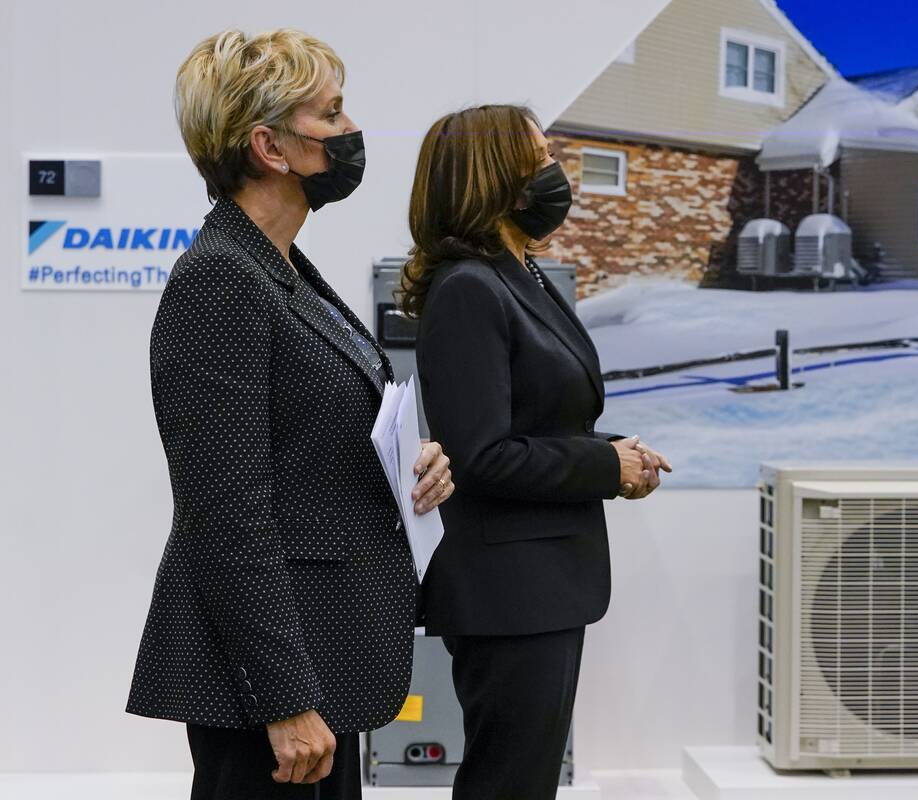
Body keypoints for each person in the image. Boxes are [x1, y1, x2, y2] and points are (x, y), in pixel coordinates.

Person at [125, 29, 455, 799]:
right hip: (271, 690)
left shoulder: (280, 269)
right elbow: (224, 513)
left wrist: (414, 464)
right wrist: (284, 698)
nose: (349, 132)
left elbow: (313, 450)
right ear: (269, 147)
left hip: (324, 655)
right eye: (331, 114)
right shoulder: (219, 279)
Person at [400, 104, 672, 800]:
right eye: (540, 156)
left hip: (542, 583)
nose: (556, 172)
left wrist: (617, 456)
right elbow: (483, 454)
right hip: (507, 593)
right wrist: (604, 468)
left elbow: (542, 419)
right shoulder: (468, 290)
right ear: (498, 175)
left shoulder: (521, 274)